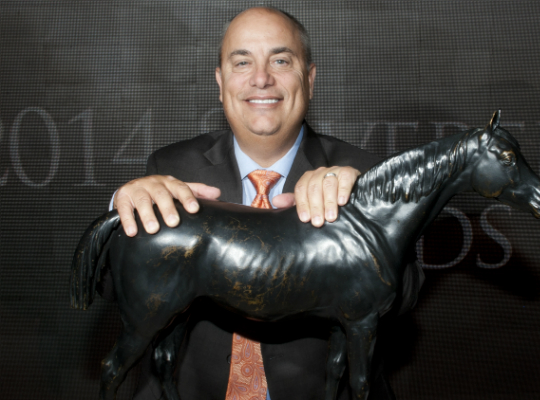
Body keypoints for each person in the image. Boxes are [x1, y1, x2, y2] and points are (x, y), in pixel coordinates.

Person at [110, 6, 412, 400]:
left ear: (310, 78)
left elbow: (404, 296)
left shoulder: (366, 173)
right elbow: (118, 290)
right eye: (242, 62)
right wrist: (122, 211)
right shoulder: (169, 169)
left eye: (281, 60)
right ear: (220, 83)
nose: (261, 78)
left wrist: (360, 203)